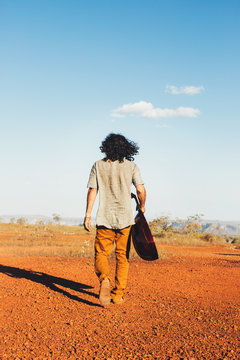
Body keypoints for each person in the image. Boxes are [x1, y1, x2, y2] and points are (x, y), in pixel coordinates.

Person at [84, 133, 146, 306]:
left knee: (101, 253)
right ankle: (117, 295)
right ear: (127, 148)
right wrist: (142, 206)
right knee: (122, 257)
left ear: (106, 147)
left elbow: (92, 191)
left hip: (105, 217)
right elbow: (140, 190)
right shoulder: (132, 166)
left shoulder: (98, 165)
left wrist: (88, 215)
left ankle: (104, 278)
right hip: (125, 218)